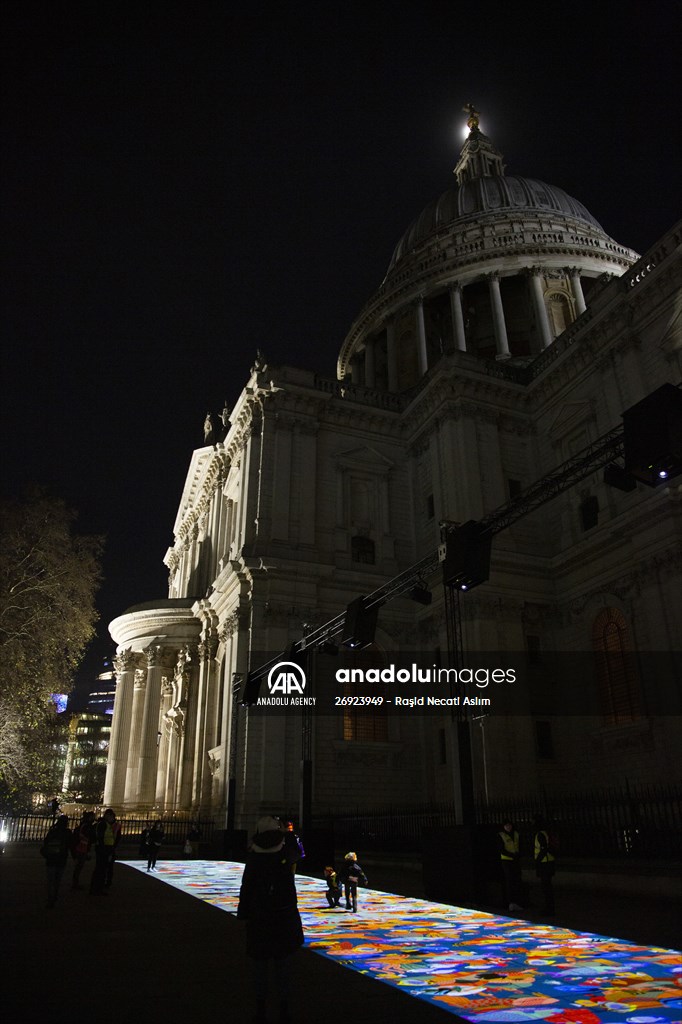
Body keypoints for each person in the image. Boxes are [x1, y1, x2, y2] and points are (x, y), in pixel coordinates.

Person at [237, 816, 304, 1024]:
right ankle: (284, 1009)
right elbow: (299, 852)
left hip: (259, 916)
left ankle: (260, 1009)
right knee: (282, 965)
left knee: (260, 966)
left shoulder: (254, 857)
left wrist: (244, 912)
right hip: (282, 916)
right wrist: (289, 834)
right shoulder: (285, 854)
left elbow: (246, 888)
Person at [40, 814, 71, 908]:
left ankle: (50, 897)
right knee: (58, 879)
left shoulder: (52, 831)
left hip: (51, 858)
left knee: (50, 880)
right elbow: (71, 844)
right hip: (61, 858)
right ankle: (55, 895)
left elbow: (46, 843)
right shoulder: (67, 832)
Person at [90, 808, 121, 895]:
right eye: (112, 816)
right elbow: (101, 838)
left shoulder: (105, 824)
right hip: (103, 850)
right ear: (108, 815)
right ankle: (97, 889)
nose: (113, 818)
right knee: (101, 870)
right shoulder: (103, 824)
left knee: (102, 870)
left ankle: (97, 888)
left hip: (105, 849)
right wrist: (105, 850)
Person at [498, 820, 523, 913]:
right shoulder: (501, 835)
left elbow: (520, 845)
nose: (508, 827)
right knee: (510, 881)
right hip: (506, 860)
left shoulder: (516, 834)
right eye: (506, 825)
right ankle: (511, 903)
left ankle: (516, 902)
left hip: (515, 860)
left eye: (509, 825)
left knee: (516, 880)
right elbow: (501, 849)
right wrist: (513, 855)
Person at [533, 815, 556, 915]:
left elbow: (543, 849)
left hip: (544, 863)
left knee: (546, 887)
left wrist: (537, 861)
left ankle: (548, 908)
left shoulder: (540, 834)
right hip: (549, 861)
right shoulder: (546, 832)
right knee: (548, 886)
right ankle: (550, 907)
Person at [70, 810, 96, 889]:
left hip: (81, 848)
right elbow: (88, 837)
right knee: (78, 867)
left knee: (78, 867)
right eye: (92, 817)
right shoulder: (86, 826)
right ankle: (75, 883)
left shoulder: (84, 825)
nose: (94, 818)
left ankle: (75, 882)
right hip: (81, 848)